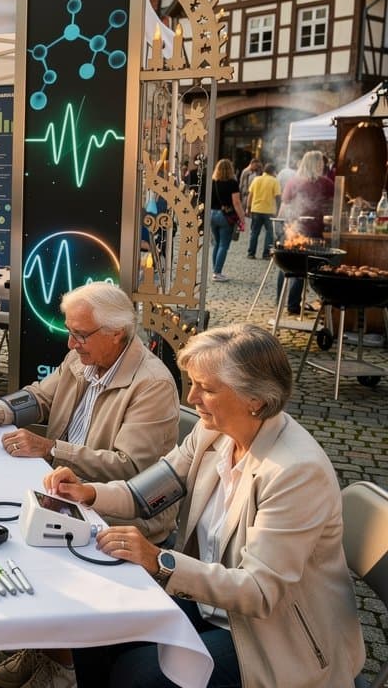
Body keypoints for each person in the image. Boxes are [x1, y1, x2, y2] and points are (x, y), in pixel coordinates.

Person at [45, 324, 364, 688]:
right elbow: (150, 492)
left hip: (274, 636)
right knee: (93, 621)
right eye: (193, 382)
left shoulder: (295, 472)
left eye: (207, 388)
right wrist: (89, 493)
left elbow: (259, 592)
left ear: (255, 400)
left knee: (140, 675)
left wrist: (159, 560)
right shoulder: (214, 432)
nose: (192, 396)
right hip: (211, 604)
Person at [0, 281, 179, 688]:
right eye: (70, 332)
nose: (71, 343)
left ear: (117, 333)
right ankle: (45, 643)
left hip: (119, 508)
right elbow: (38, 397)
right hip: (65, 488)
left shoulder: (153, 383)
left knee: (26, 540)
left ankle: (63, 661)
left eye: (81, 334)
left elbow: (131, 468)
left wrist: (53, 448)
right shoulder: (84, 360)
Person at [277, 150, 335, 314]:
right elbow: (337, 199)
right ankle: (295, 304)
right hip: (312, 230)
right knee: (305, 266)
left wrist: (283, 225)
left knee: (287, 264)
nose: (323, 166)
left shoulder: (293, 181)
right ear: (317, 164)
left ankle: (281, 301)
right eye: (321, 164)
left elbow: (285, 203)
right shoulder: (325, 182)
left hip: (292, 228)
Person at [208, 158, 245, 283]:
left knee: (217, 244)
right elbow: (236, 202)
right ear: (230, 169)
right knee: (223, 245)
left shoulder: (212, 181)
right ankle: (217, 272)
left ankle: (215, 270)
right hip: (225, 216)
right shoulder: (232, 183)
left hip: (212, 214)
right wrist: (242, 218)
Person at [245, 162, 280, 260]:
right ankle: (266, 254)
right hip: (269, 211)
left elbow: (250, 195)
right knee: (269, 233)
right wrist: (278, 210)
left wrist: (248, 207)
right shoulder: (274, 181)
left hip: (256, 209)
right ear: (273, 171)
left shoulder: (256, 179)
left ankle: (251, 253)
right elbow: (278, 197)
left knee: (254, 232)